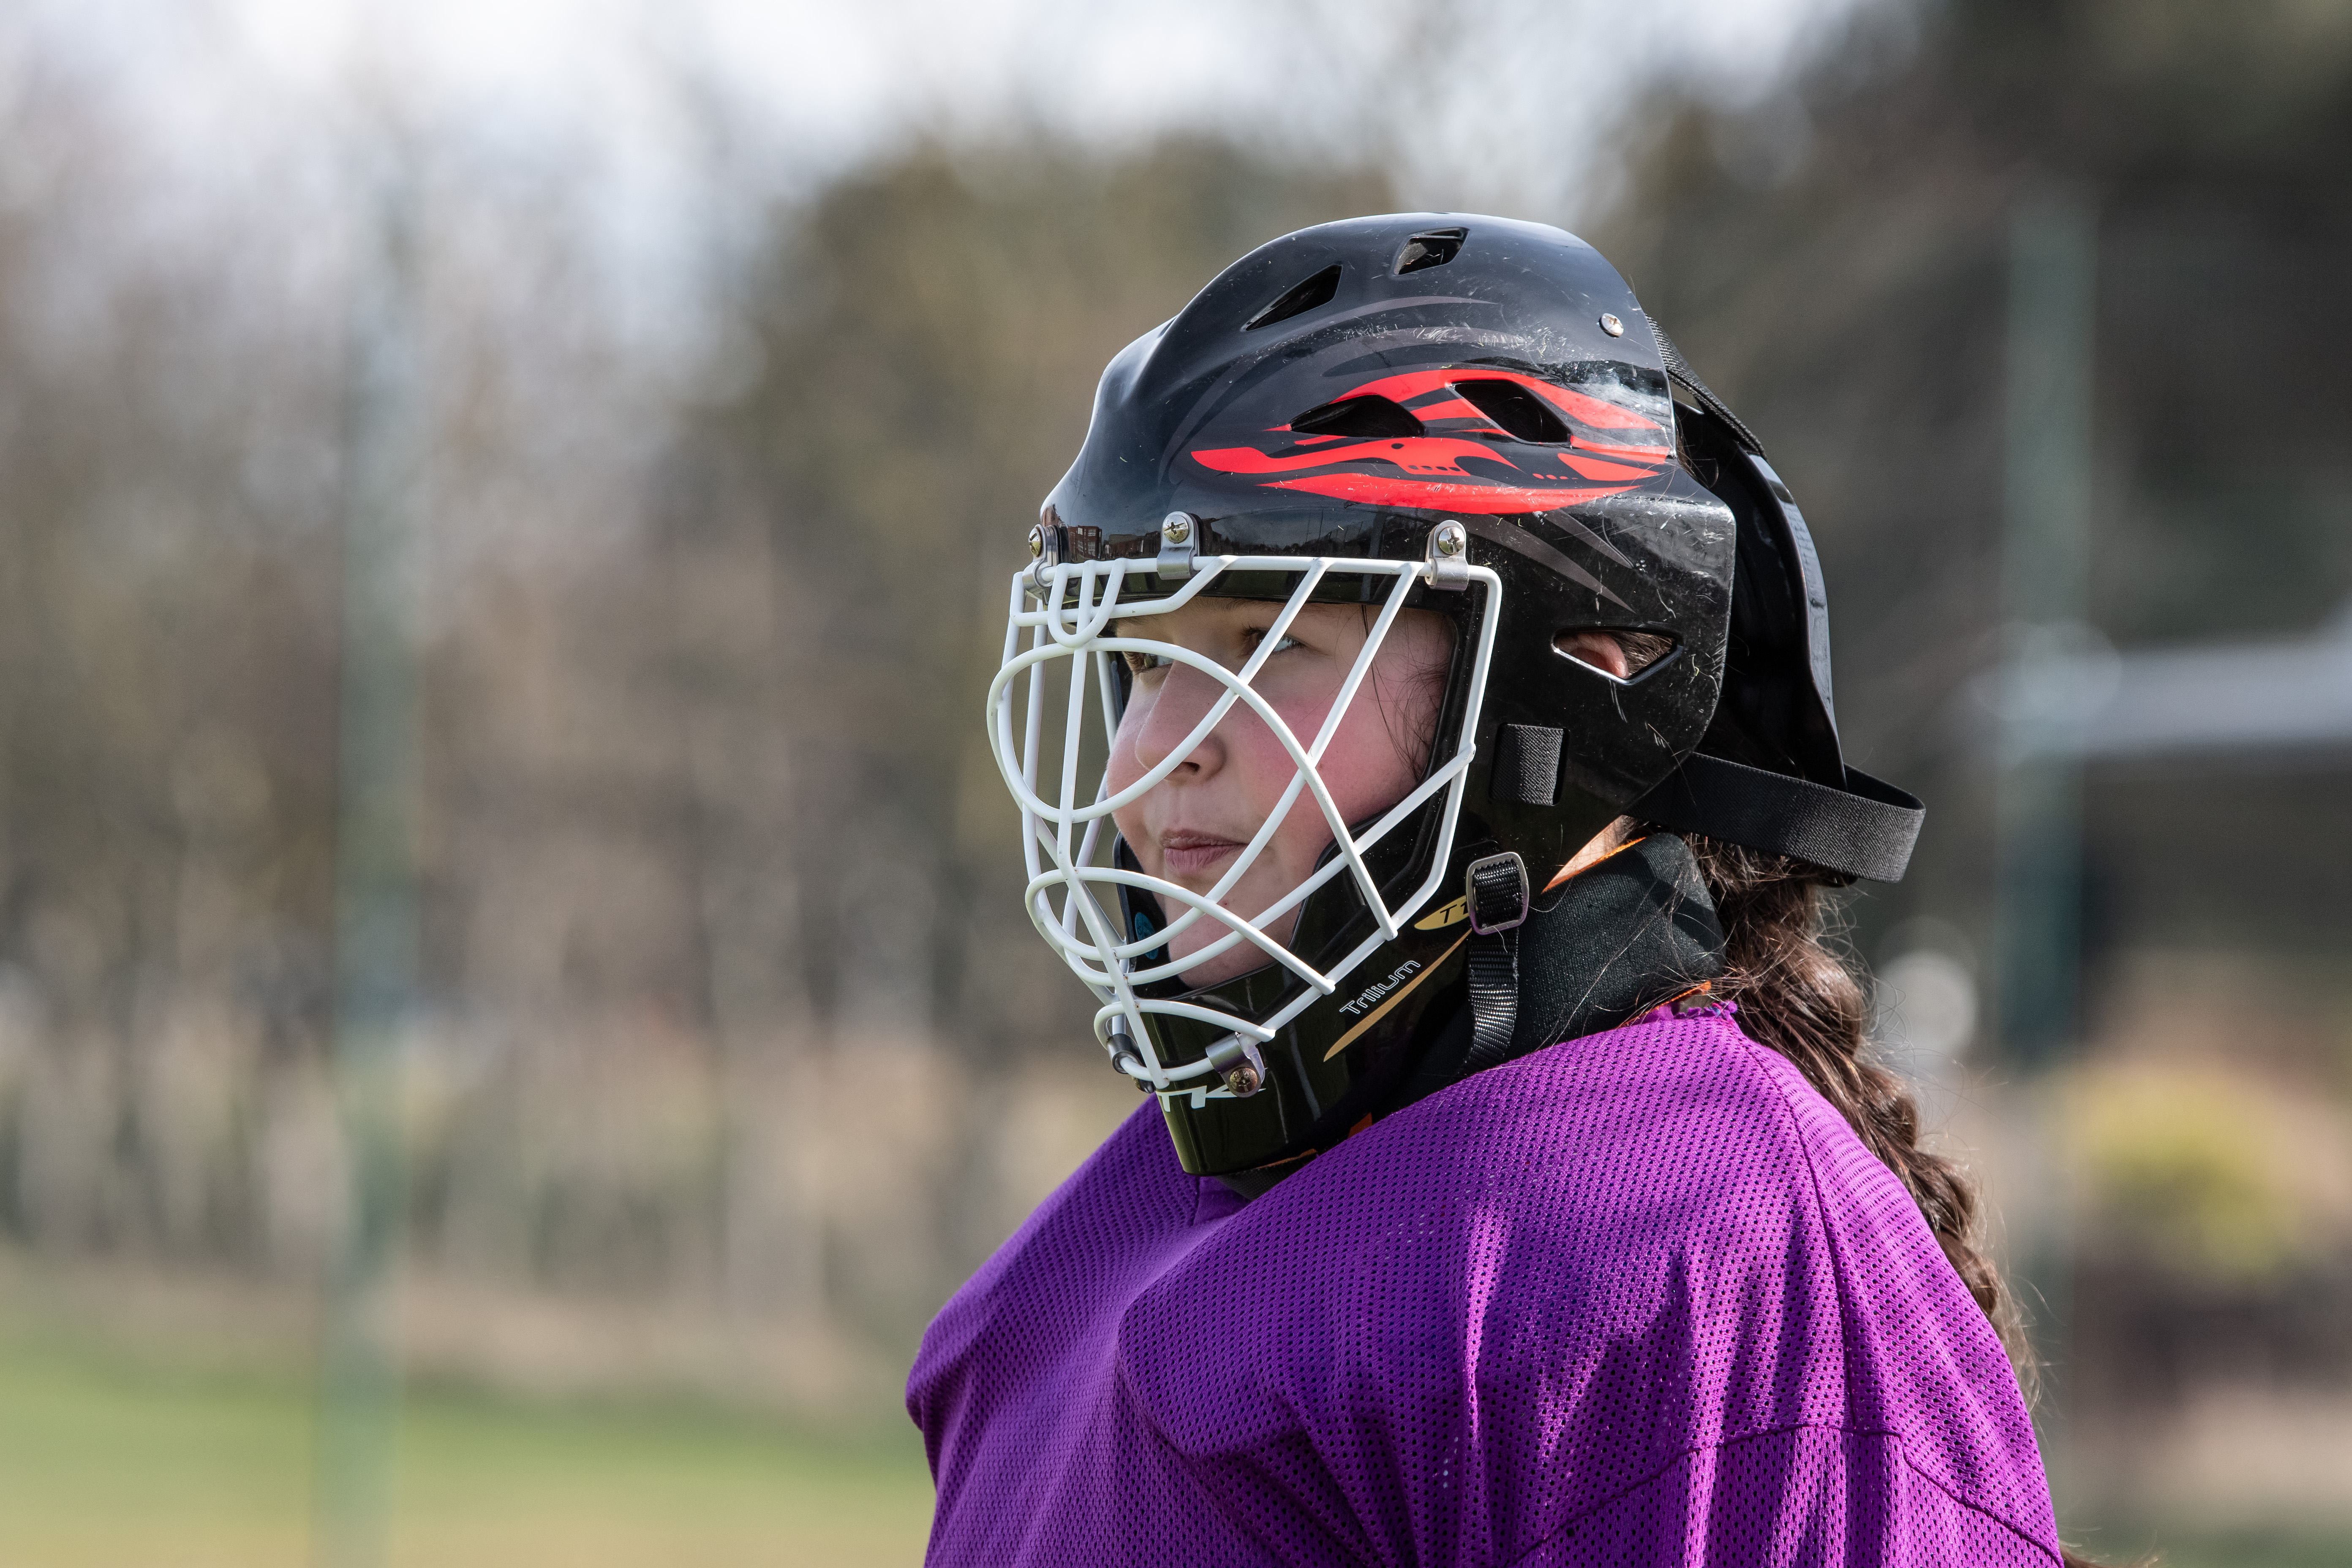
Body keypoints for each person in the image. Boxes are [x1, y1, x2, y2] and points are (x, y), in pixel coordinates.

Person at [910, 215, 2070, 1565]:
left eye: (1266, 640)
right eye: (1148, 657)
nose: (1150, 757)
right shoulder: (1100, 1244)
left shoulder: (1700, 1261)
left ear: (1563, 670)